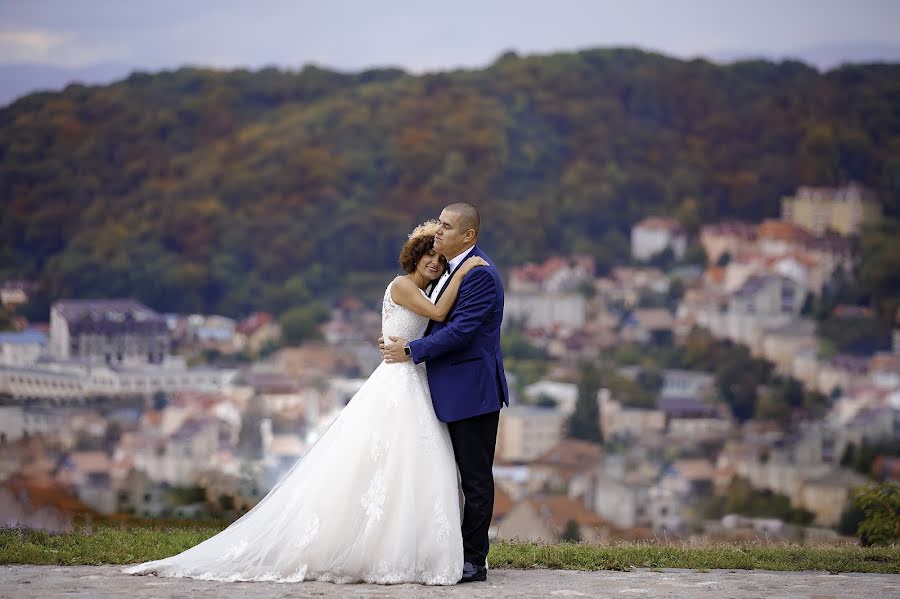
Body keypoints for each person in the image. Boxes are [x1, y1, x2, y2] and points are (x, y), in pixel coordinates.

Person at [123, 220, 486, 585]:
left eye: (440, 259)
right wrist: (466, 268)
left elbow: (437, 314)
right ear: (415, 256)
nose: (435, 263)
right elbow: (439, 314)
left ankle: (408, 547)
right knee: (387, 463)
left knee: (411, 466)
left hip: (414, 379)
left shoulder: (429, 288)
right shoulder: (404, 286)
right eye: (428, 255)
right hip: (399, 381)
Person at [383, 202, 509, 583]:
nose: (438, 230)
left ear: (467, 235)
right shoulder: (448, 270)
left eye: (447, 226)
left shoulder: (480, 275)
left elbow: (461, 332)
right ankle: (443, 549)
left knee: (474, 479)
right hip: (444, 390)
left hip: (471, 391)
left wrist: (410, 350)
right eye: (438, 223)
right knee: (441, 475)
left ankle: (474, 561)